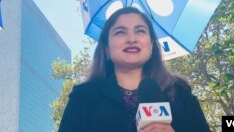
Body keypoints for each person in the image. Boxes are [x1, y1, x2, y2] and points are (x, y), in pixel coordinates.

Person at [58, 7, 210, 132]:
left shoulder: (179, 91)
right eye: (120, 32)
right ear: (106, 50)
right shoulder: (84, 96)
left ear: (151, 46)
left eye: (140, 31)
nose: (132, 39)